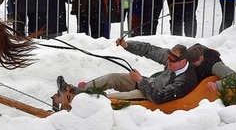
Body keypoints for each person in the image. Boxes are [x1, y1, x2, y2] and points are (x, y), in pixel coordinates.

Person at [56, 39, 198, 105]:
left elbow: (159, 98)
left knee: (113, 97)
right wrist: (127, 45)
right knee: (112, 78)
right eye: (167, 57)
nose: (167, 62)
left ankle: (81, 104)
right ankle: (76, 91)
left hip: (148, 96)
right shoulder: (172, 61)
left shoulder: (185, 80)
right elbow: (149, 50)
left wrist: (140, 81)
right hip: (148, 84)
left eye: (172, 60)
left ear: (183, 62)